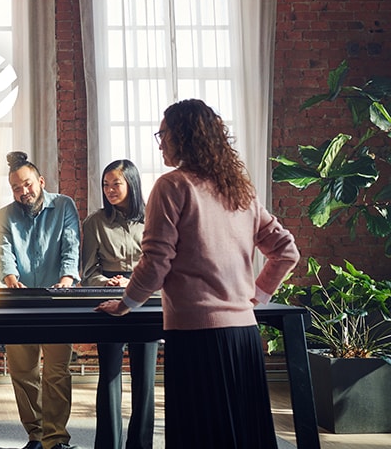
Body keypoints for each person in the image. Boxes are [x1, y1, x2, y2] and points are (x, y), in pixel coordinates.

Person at [96, 99, 300, 449]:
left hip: (196, 337)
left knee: (199, 437)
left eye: (163, 133)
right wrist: (257, 297)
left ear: (183, 136)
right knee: (244, 438)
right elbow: (286, 251)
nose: (159, 142)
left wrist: (126, 303)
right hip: (244, 336)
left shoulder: (171, 186)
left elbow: (157, 260)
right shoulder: (239, 189)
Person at [0, 151, 81, 449]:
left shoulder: (64, 205)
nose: (23, 192)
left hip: (57, 299)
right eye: (16, 188)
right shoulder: (6, 214)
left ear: (41, 181)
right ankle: (36, 434)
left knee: (57, 371)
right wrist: (9, 278)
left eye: (27, 184)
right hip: (19, 302)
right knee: (23, 371)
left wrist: (67, 279)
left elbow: (71, 245)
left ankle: (56, 437)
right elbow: (3, 249)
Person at [80, 159, 157, 449]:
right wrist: (106, 283)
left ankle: (140, 444)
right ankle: (108, 444)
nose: (110, 189)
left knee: (145, 379)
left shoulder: (153, 217)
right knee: (110, 375)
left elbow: (162, 264)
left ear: (132, 185)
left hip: (145, 298)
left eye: (116, 183)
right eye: (105, 184)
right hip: (108, 300)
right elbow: (88, 272)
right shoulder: (94, 221)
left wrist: (133, 283)